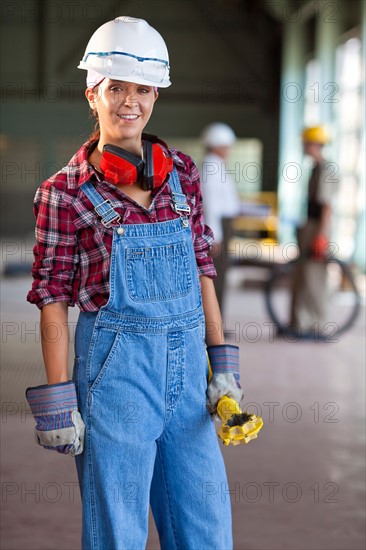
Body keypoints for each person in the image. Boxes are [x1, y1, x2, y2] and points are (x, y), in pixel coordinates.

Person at [25, 16, 243, 550]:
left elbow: (202, 268)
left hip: (190, 374)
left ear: (156, 96)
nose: (130, 102)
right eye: (115, 87)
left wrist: (224, 367)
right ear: (91, 95)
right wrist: (58, 397)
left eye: (142, 89)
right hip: (116, 378)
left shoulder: (183, 173)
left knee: (206, 524)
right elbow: (52, 295)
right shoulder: (63, 192)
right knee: (117, 530)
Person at [290, 125, 333, 334]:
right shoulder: (315, 168)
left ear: (315, 144)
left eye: (306, 142)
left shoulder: (327, 169)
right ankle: (299, 323)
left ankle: (317, 326)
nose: (304, 146)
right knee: (304, 276)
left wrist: (321, 236)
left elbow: (326, 207)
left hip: (318, 228)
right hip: (310, 226)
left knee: (314, 278)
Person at [199, 123, 241, 310]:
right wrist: (214, 236)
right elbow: (211, 203)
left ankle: (217, 323)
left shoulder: (216, 166)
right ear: (217, 145)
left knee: (221, 278)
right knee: (217, 277)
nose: (229, 150)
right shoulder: (211, 168)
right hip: (220, 228)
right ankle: (214, 326)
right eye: (227, 146)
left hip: (224, 225)